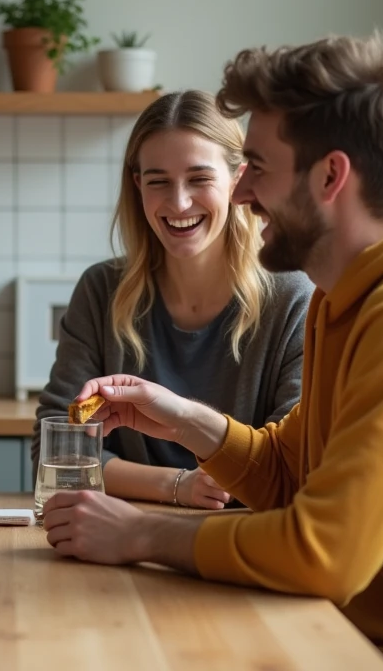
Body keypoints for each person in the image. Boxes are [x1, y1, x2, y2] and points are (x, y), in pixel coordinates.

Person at [40, 33, 383, 669]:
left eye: (259, 170)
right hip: (368, 640)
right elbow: (286, 473)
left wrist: (140, 532)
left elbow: (323, 553)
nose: (243, 196)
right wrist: (182, 416)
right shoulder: (348, 301)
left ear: (330, 176)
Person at [32, 90, 311, 510]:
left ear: (239, 181)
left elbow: (292, 464)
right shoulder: (100, 290)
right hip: (119, 532)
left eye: (200, 179)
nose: (179, 203)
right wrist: (177, 485)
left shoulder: (293, 298)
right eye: (158, 180)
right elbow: (56, 449)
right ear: (137, 185)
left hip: (244, 541)